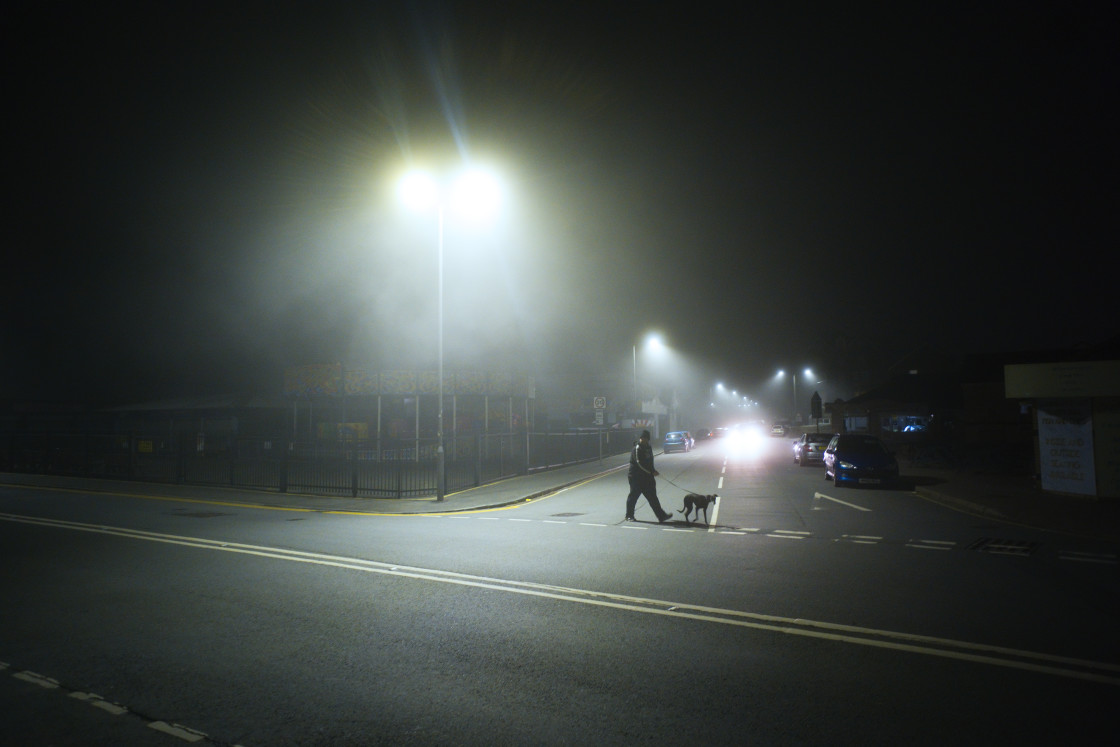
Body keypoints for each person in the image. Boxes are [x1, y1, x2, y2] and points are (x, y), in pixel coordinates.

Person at [625, 429, 673, 522]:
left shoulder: (648, 447)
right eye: (642, 438)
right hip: (636, 477)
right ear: (640, 438)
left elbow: (650, 461)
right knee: (633, 497)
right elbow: (639, 463)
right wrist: (651, 472)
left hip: (647, 477)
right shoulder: (637, 448)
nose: (644, 440)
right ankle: (629, 515)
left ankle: (661, 516)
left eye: (646, 439)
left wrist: (653, 470)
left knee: (653, 498)